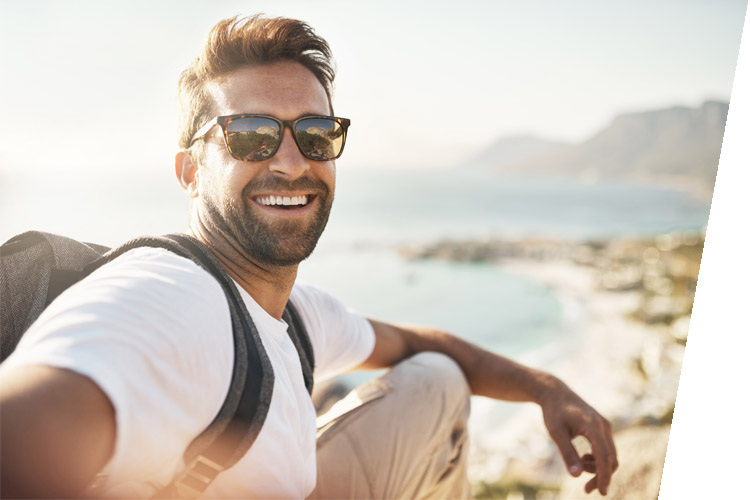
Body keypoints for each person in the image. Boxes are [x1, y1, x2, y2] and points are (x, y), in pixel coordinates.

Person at [0, 14, 617, 499]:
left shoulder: (293, 313)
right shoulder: (170, 297)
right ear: (190, 170)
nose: (291, 161)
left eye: (316, 133)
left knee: (437, 379)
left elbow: (418, 344)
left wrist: (547, 387)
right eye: (250, 135)